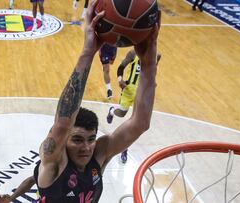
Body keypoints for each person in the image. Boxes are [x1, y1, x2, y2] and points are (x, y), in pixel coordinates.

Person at [31, 0, 161, 201]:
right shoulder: (54, 161)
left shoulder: (98, 155)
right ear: (64, 140)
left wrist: (149, 64)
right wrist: (88, 52)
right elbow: (63, 123)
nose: (86, 147)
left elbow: (140, 123)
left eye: (91, 139)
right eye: (77, 139)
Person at [106, 50, 161, 163]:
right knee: (121, 113)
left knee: (135, 122)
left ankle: (125, 148)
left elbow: (153, 72)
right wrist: (120, 80)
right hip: (129, 89)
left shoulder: (156, 55)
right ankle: (112, 111)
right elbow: (121, 67)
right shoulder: (133, 54)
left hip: (142, 92)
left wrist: (152, 83)